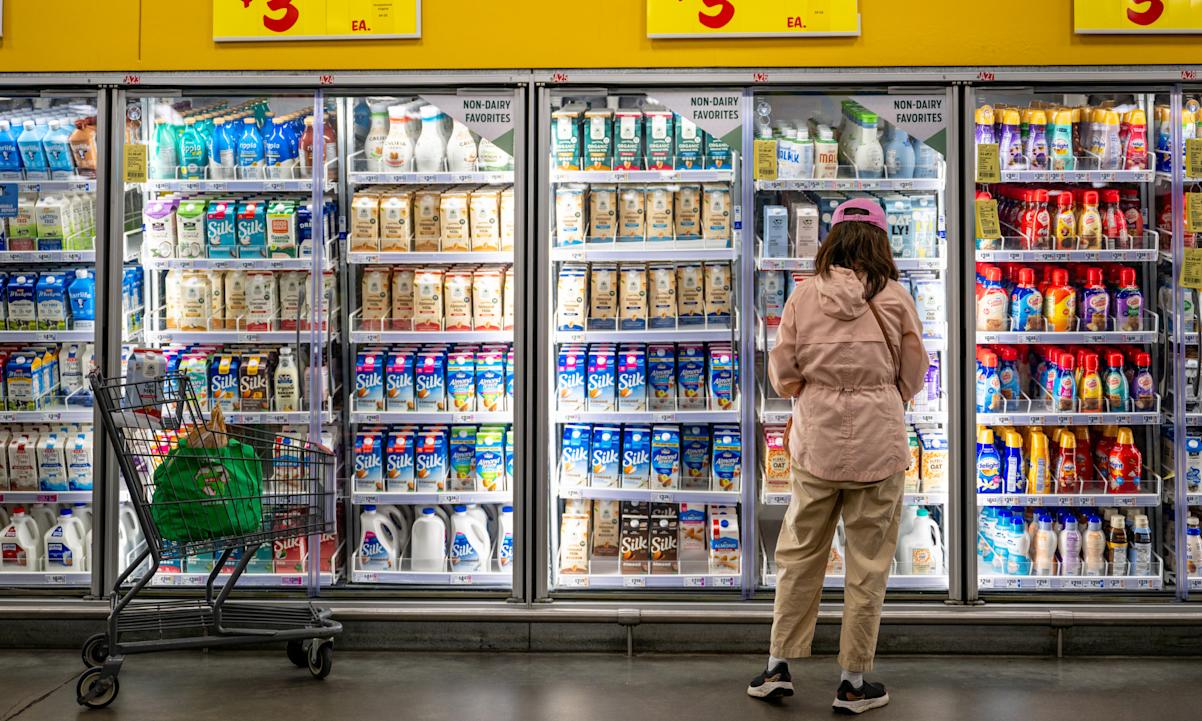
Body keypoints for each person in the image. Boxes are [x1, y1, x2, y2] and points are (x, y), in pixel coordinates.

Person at [746, 198, 928, 714]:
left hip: (817, 442)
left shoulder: (803, 297)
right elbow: (913, 372)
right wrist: (886, 393)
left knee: (799, 553)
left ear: (832, 238)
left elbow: (783, 370)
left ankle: (778, 667)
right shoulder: (895, 298)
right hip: (879, 442)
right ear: (880, 239)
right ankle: (852, 681)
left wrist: (815, 390)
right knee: (867, 564)